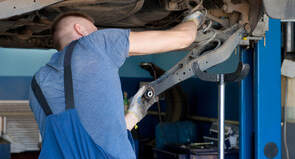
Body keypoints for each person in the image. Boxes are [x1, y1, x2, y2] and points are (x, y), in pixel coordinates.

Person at [29, 10, 204, 158]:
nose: (98, 31)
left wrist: (135, 114)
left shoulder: (37, 83)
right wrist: (194, 17)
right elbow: (183, 38)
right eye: (95, 28)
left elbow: (86, 136)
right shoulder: (95, 43)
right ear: (79, 29)